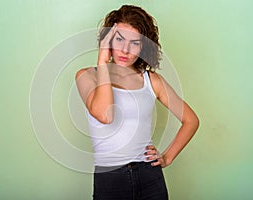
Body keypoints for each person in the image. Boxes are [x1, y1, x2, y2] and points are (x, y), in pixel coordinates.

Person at [75, 5, 199, 200]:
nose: (125, 49)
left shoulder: (152, 81)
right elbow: (105, 115)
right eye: (119, 39)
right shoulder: (87, 76)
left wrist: (166, 157)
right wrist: (102, 61)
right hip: (110, 180)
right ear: (108, 40)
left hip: (150, 177)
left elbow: (191, 120)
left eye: (135, 43)